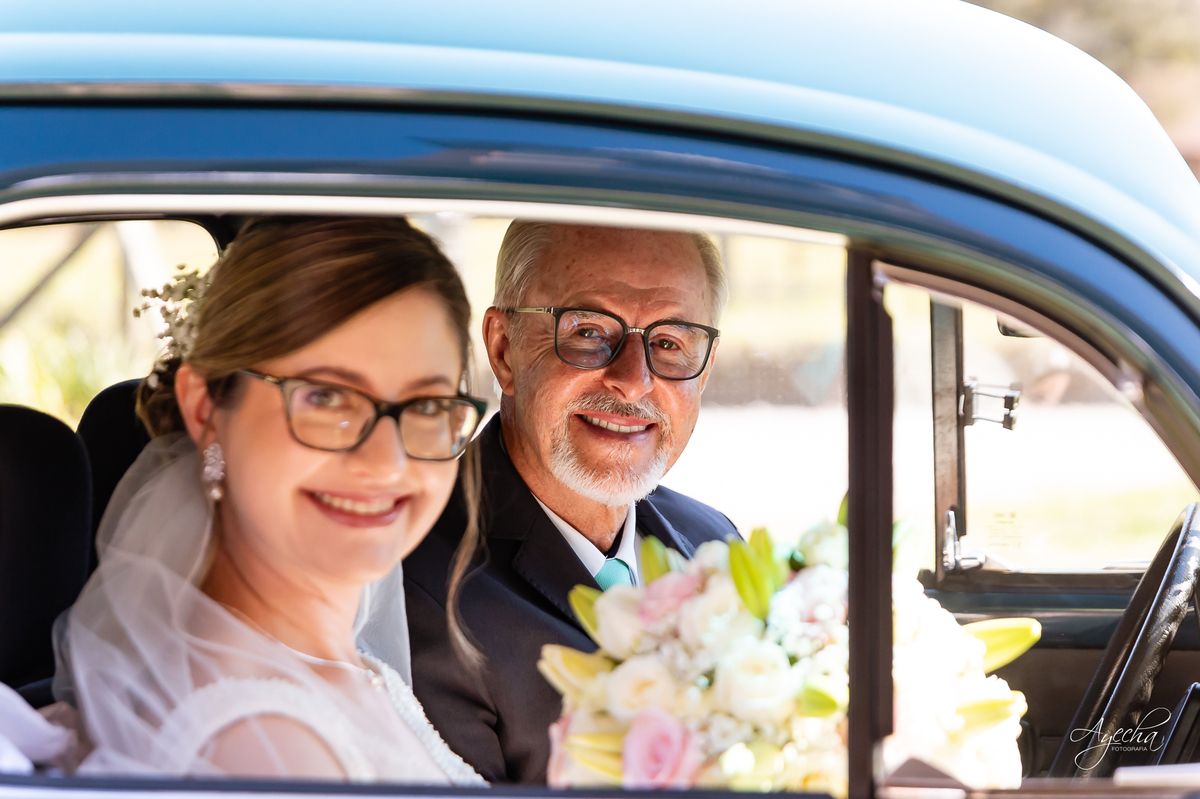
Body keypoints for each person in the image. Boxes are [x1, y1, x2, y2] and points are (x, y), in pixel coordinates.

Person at [55, 217, 487, 783]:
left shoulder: (336, 670)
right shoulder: (260, 749)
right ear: (206, 408)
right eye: (327, 396)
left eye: (428, 404)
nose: (387, 462)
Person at [404, 222, 738, 783]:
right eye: (588, 331)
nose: (633, 381)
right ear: (504, 349)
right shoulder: (420, 587)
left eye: (668, 343)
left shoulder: (714, 542)